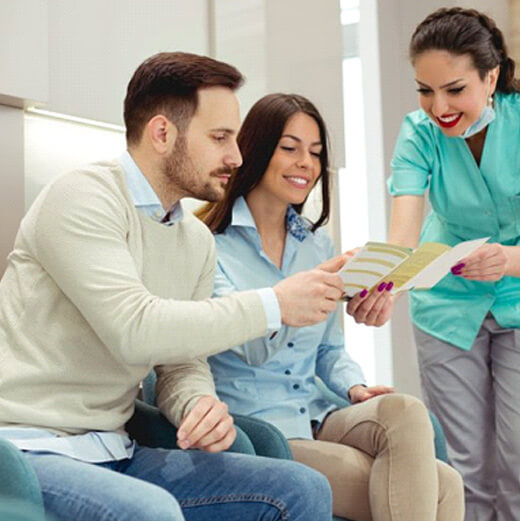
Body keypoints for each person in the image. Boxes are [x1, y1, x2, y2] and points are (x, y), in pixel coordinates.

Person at [0, 52, 343, 521]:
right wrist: (274, 304)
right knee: (152, 511)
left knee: (301, 489)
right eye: (220, 138)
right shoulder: (81, 198)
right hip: (27, 449)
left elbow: (181, 362)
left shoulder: (194, 239)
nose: (237, 157)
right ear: (162, 133)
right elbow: (135, 328)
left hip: (117, 448)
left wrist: (196, 404)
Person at [199, 93, 464, 521]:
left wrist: (355, 388)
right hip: (263, 430)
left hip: (320, 414)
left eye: (316, 152)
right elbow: (248, 346)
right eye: (290, 148)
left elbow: (328, 351)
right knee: (442, 487)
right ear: (255, 149)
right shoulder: (209, 246)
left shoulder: (316, 243)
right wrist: (302, 292)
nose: (306, 162)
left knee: (407, 412)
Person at [380, 7, 520, 521]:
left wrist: (507, 259)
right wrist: (384, 285)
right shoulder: (418, 134)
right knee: (464, 469)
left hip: (518, 296)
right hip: (446, 304)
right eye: (425, 90)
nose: (438, 107)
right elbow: (403, 234)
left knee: (519, 463)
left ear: (491, 76)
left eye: (454, 89)